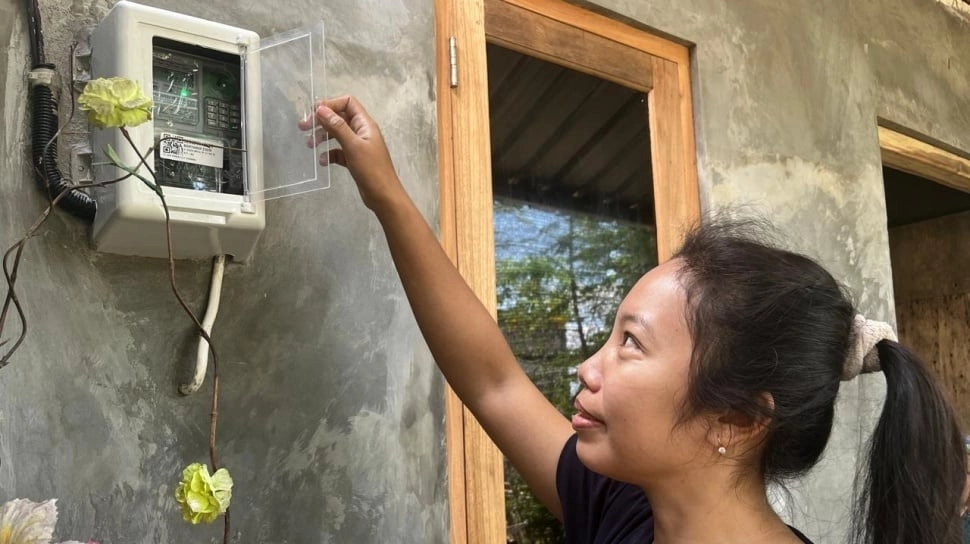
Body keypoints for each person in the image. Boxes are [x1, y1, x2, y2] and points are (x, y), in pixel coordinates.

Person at [299, 96, 968, 544]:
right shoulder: (621, 510)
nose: (587, 368)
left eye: (631, 343)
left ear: (736, 419)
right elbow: (493, 382)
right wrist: (386, 195)